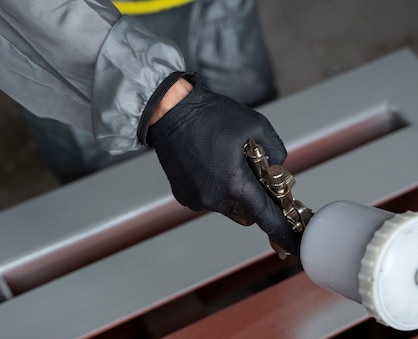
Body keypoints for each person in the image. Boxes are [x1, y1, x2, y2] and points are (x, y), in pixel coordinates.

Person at [0, 0, 300, 255]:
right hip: (70, 28)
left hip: (217, 9)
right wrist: (163, 102)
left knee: (244, 156)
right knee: (106, 200)